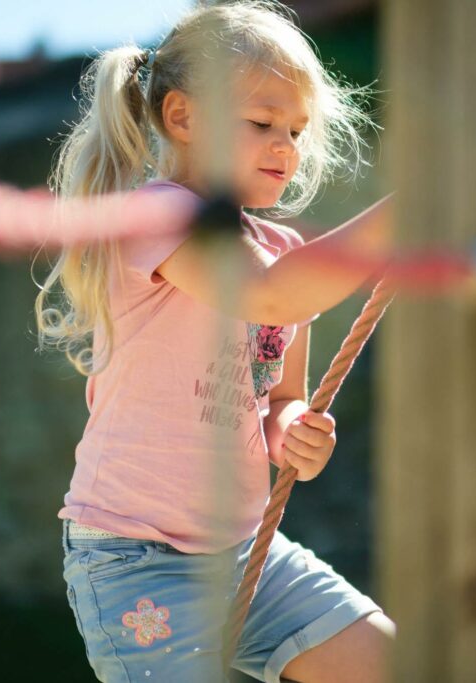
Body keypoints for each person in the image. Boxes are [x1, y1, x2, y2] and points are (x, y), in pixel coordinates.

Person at [34, 2, 395, 681]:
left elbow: (280, 396)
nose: (286, 146)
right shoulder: (157, 215)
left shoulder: (282, 250)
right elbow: (270, 295)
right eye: (262, 124)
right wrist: (415, 207)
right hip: (137, 563)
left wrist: (293, 434)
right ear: (183, 117)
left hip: (245, 550)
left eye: (296, 129)